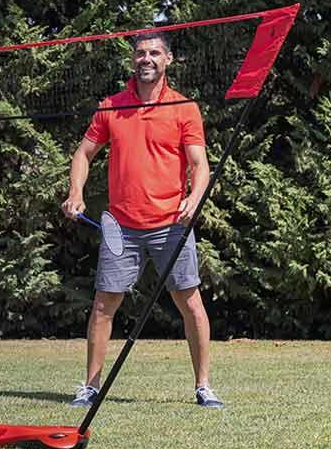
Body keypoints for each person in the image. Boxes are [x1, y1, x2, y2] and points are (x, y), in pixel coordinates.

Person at [60, 30, 221, 409]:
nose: (145, 58)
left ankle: (203, 386)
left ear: (168, 60)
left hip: (172, 225)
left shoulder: (184, 108)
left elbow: (200, 165)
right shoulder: (111, 106)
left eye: (153, 53)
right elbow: (83, 154)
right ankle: (91, 386)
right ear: (133, 60)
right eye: (139, 53)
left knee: (190, 303)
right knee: (103, 304)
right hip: (122, 227)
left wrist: (194, 200)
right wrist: (76, 193)